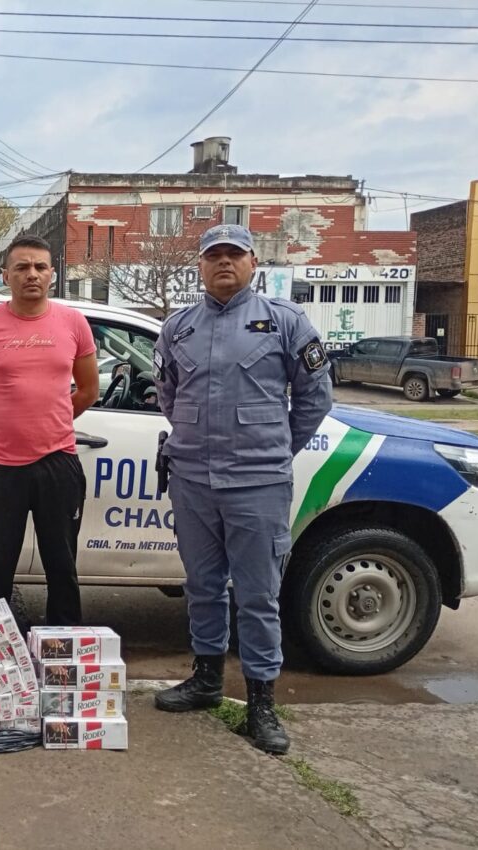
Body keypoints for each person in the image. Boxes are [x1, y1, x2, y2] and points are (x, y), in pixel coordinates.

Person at [152, 224, 332, 755]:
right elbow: (168, 394)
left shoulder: (285, 321)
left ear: (254, 262)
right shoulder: (178, 327)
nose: (224, 263)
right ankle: (206, 680)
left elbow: (315, 397)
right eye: (214, 255)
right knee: (202, 586)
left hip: (258, 483)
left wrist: (273, 449)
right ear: (200, 266)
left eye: (234, 254)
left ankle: (261, 703)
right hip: (192, 481)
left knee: (257, 596)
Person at [0, 234, 99, 626]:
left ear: (52, 274)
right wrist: (6, 424)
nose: (31, 274)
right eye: (21, 267)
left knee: (62, 567)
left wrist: (51, 422)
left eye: (40, 267)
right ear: (6, 276)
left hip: (59, 464)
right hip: (0, 469)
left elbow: (88, 390)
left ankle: (62, 649)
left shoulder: (73, 323)